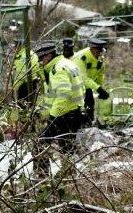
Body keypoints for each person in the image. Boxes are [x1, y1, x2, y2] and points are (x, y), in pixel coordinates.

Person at [35, 40, 85, 173]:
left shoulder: (57, 68)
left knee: (40, 143)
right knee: (67, 149)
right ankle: (69, 177)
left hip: (64, 114)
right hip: (74, 111)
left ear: (48, 56)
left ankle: (42, 177)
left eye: (41, 58)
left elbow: (63, 93)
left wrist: (53, 116)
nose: (40, 62)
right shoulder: (67, 63)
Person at [75, 38, 109, 123]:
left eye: (102, 50)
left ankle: (89, 126)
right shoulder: (81, 57)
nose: (100, 53)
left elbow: (99, 74)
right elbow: (82, 78)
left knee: (90, 107)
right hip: (75, 86)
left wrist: (100, 89)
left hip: (87, 86)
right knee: (76, 110)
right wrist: (98, 88)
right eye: (99, 50)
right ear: (92, 49)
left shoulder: (100, 57)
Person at [12, 39, 41, 109]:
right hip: (29, 82)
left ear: (20, 46)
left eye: (15, 46)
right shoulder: (22, 54)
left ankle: (25, 117)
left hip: (26, 83)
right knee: (29, 103)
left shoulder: (25, 55)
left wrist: (16, 85)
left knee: (23, 104)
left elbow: (24, 73)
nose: (13, 48)